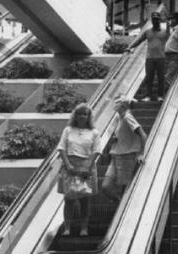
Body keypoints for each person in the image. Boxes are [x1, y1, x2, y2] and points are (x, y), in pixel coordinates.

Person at [57, 103, 101, 236]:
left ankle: (84, 228)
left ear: (89, 117)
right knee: (69, 199)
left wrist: (88, 166)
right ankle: (67, 228)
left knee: (85, 199)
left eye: (85, 114)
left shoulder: (94, 132)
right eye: (80, 113)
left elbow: (96, 150)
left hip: (86, 165)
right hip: (70, 165)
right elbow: (61, 148)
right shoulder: (68, 130)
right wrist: (68, 164)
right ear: (75, 115)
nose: (82, 116)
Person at [103, 96, 147, 198]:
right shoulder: (119, 118)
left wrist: (141, 153)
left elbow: (143, 135)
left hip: (127, 156)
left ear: (123, 105)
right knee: (106, 186)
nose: (114, 104)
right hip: (115, 155)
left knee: (125, 191)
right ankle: (117, 202)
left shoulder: (128, 117)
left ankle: (121, 210)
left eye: (117, 103)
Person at [128, 11, 169, 101]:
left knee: (160, 77)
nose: (155, 21)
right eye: (154, 19)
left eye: (157, 19)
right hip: (149, 58)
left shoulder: (165, 32)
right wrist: (130, 47)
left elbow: (173, 41)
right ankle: (148, 96)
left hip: (161, 58)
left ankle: (160, 96)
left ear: (159, 20)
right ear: (152, 21)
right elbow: (139, 40)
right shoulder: (147, 32)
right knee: (149, 77)